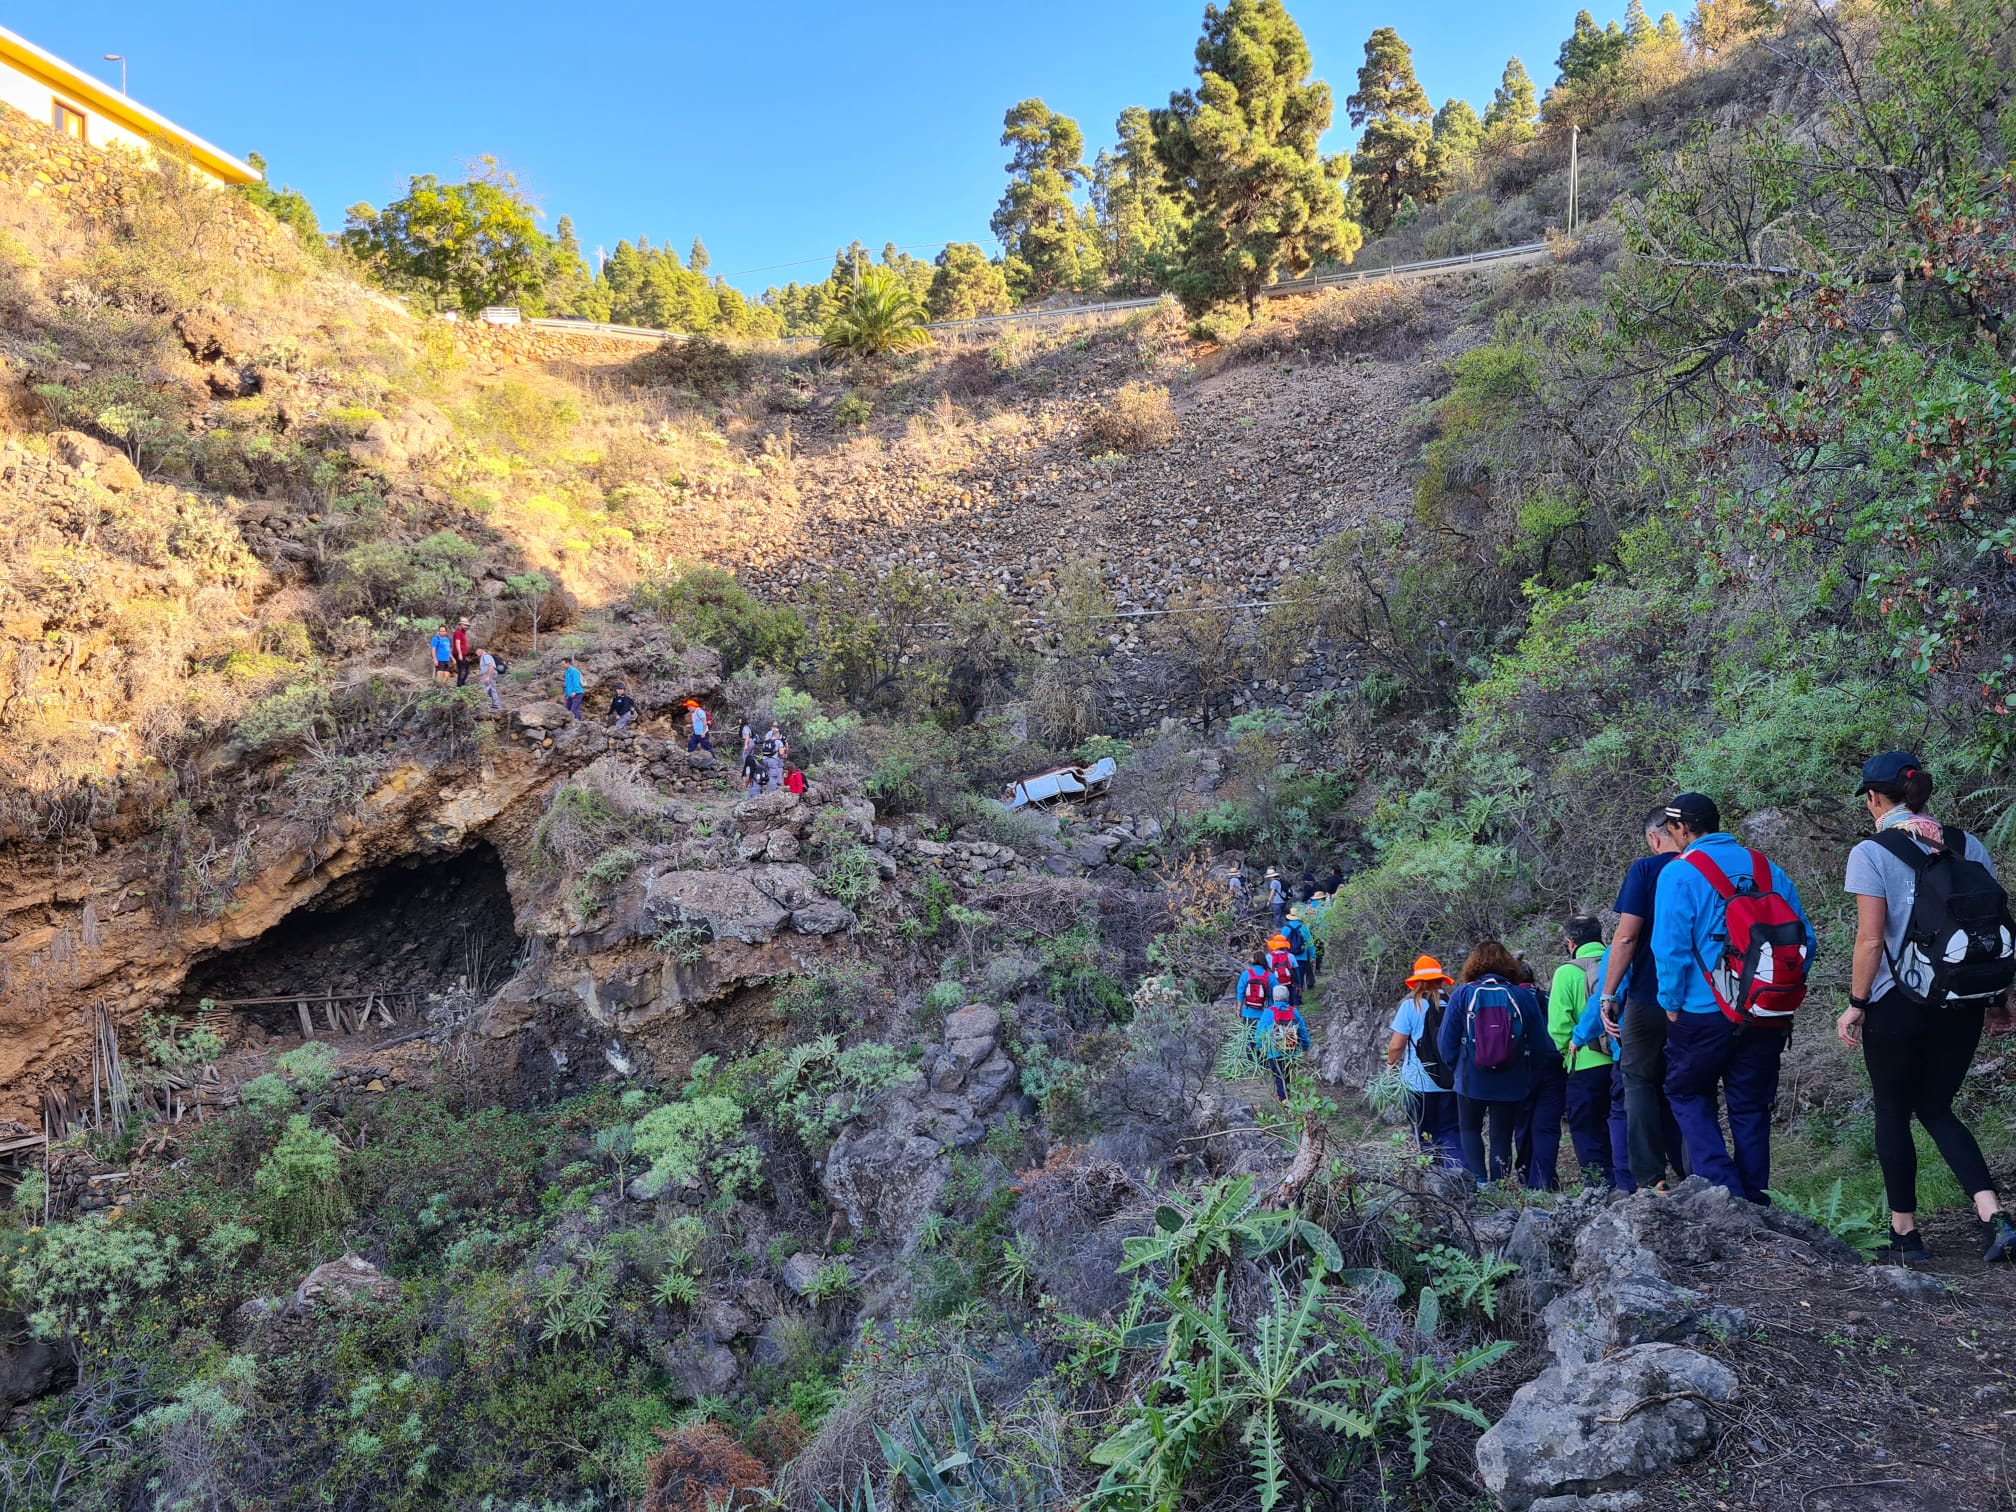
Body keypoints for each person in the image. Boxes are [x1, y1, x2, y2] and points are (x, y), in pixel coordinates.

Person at [1837, 751, 2016, 1265]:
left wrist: (1856, 1003)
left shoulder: (1870, 852)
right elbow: (1987, 928)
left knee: (1893, 1110)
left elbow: (1871, 942)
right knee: (1936, 1106)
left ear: (1874, 797)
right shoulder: (1967, 844)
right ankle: (1993, 1216)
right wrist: (1998, 1000)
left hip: (1898, 1003)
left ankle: (1906, 1235)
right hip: (1960, 1000)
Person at [1650, 792, 1816, 1206]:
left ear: (1682, 829)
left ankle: (1724, 1191)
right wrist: (1775, 987)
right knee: (1750, 1104)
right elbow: (1805, 942)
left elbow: (1669, 948)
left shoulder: (1679, 873)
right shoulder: (1767, 868)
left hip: (1702, 1010)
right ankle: (1755, 1195)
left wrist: (1669, 1001)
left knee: (1686, 1093)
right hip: (1765, 1010)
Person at [1597, 806, 1690, 1193]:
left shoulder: (1646, 870)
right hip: (1700, 1000)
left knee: (1637, 1082)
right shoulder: (1703, 868)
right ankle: (1698, 1169)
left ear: (1655, 838)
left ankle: (1651, 1178)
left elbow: (1626, 936)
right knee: (1689, 1085)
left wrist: (1607, 994)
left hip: (1649, 997)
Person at [1435, 941, 1544, 1184]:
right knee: (1502, 1136)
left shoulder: (1463, 994)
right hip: (1510, 1080)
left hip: (1470, 1080)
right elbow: (1540, 1044)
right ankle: (1499, 1186)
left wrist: (1459, 1067)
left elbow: (1445, 1043)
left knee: (1469, 1130)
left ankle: (1478, 1183)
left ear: (1473, 964)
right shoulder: (1522, 996)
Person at [1550, 916, 1618, 1189]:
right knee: (1621, 1121)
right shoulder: (1620, 962)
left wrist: (1567, 1052)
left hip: (1584, 1064)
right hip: (1624, 1059)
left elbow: (1558, 1026)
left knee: (1588, 1130)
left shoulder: (1566, 973)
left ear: (1571, 942)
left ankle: (1599, 1188)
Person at [1388, 955, 1461, 1164]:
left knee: (1423, 1135)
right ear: (1440, 979)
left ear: (1416, 981)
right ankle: (1458, 1179)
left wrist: (1390, 1067)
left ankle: (1430, 1184)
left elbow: (1396, 1045)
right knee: (1451, 1133)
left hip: (1416, 1083)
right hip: (1451, 1082)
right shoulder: (1453, 1004)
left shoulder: (1411, 1006)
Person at [1511, 951, 1564, 1190]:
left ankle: (1525, 1173)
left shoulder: (1510, 998)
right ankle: (1544, 1179)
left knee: (1522, 1123)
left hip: (1521, 1067)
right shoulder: (1548, 997)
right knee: (1547, 1126)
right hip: (1553, 1064)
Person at [476, 645, 502, 712]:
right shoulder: (484, 657)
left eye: (477, 650)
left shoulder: (486, 656)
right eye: (475, 651)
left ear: (482, 650)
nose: (476, 652)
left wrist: (488, 677)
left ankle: (480, 705)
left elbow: (491, 667)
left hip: (490, 673)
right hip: (490, 673)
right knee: (492, 689)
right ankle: (496, 705)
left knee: (483, 688)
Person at [450, 619, 473, 686]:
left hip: (463, 653)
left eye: (467, 625)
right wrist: (460, 654)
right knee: (462, 669)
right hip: (459, 653)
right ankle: (460, 685)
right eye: (465, 625)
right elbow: (457, 643)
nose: (466, 627)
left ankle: (461, 683)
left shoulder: (463, 632)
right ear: (460, 624)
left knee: (466, 669)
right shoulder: (458, 632)